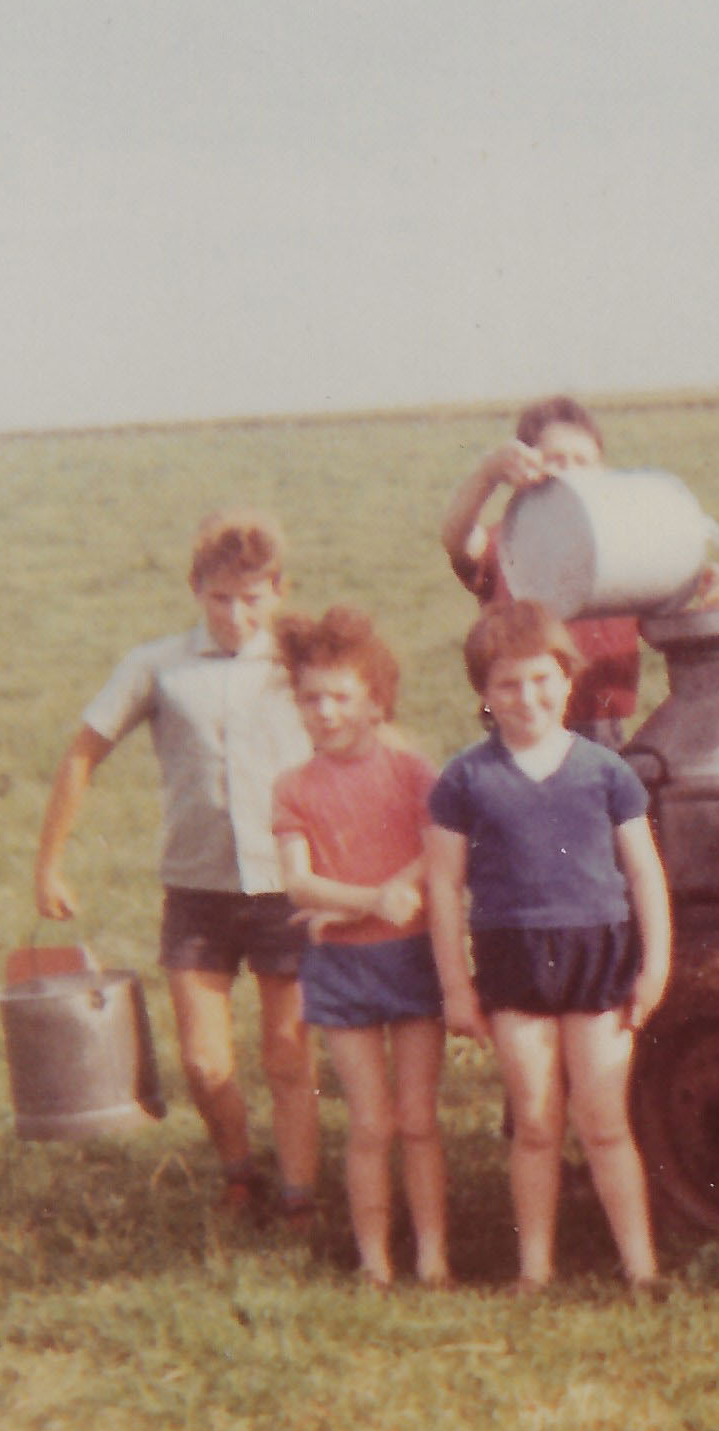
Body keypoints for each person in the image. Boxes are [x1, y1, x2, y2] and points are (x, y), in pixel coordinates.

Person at [34, 509, 321, 1226]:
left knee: (287, 1054)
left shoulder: (303, 663)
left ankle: (298, 1194)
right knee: (203, 1059)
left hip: (289, 885)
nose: (236, 613)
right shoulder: (156, 666)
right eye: (221, 597)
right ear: (196, 588)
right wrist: (49, 863)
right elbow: (82, 753)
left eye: (253, 596)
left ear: (280, 590)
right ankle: (238, 1173)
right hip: (197, 891)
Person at [425, 602, 673, 1294]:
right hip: (513, 959)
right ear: (483, 693)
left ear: (567, 680)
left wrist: (655, 964)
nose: (526, 697)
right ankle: (534, 1269)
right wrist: (455, 986)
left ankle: (641, 1267)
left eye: (540, 679)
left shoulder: (605, 771)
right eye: (507, 684)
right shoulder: (464, 779)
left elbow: (644, 871)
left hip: (599, 957)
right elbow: (443, 886)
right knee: (535, 1121)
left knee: (603, 1118)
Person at [270, 608, 446, 1289]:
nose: (326, 711)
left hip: (409, 956)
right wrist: (372, 899)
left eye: (341, 696)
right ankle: (374, 1258)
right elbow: (297, 879)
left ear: (375, 699)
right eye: (312, 698)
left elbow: (438, 849)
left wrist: (394, 889)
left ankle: (433, 1255)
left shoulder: (410, 770)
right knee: (371, 1122)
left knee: (419, 1118)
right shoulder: (295, 786)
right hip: (342, 967)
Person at [440, 396, 646, 747]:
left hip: (601, 727)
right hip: (520, 721)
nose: (569, 472)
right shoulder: (505, 544)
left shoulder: (624, 549)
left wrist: (715, 589)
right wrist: (487, 474)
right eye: (555, 460)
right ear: (525, 469)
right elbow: (456, 539)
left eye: (582, 461)